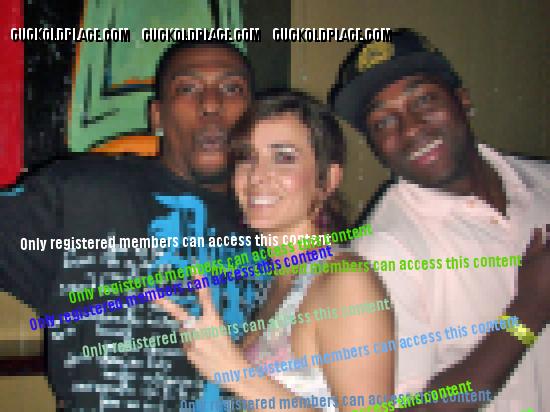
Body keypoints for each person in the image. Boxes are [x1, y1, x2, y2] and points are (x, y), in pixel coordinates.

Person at [0, 40, 265, 410]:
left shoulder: (278, 222)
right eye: (187, 88)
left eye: (231, 88)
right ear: (157, 116)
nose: (210, 103)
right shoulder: (83, 194)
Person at [329, 28, 550, 411]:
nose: (411, 128)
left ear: (463, 100)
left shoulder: (543, 181)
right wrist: (530, 309)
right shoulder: (385, 252)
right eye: (383, 122)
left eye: (424, 100)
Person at [158, 90, 395, 412]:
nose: (257, 175)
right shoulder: (276, 282)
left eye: (284, 158)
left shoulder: (346, 282)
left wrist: (237, 373)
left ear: (327, 180)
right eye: (247, 157)